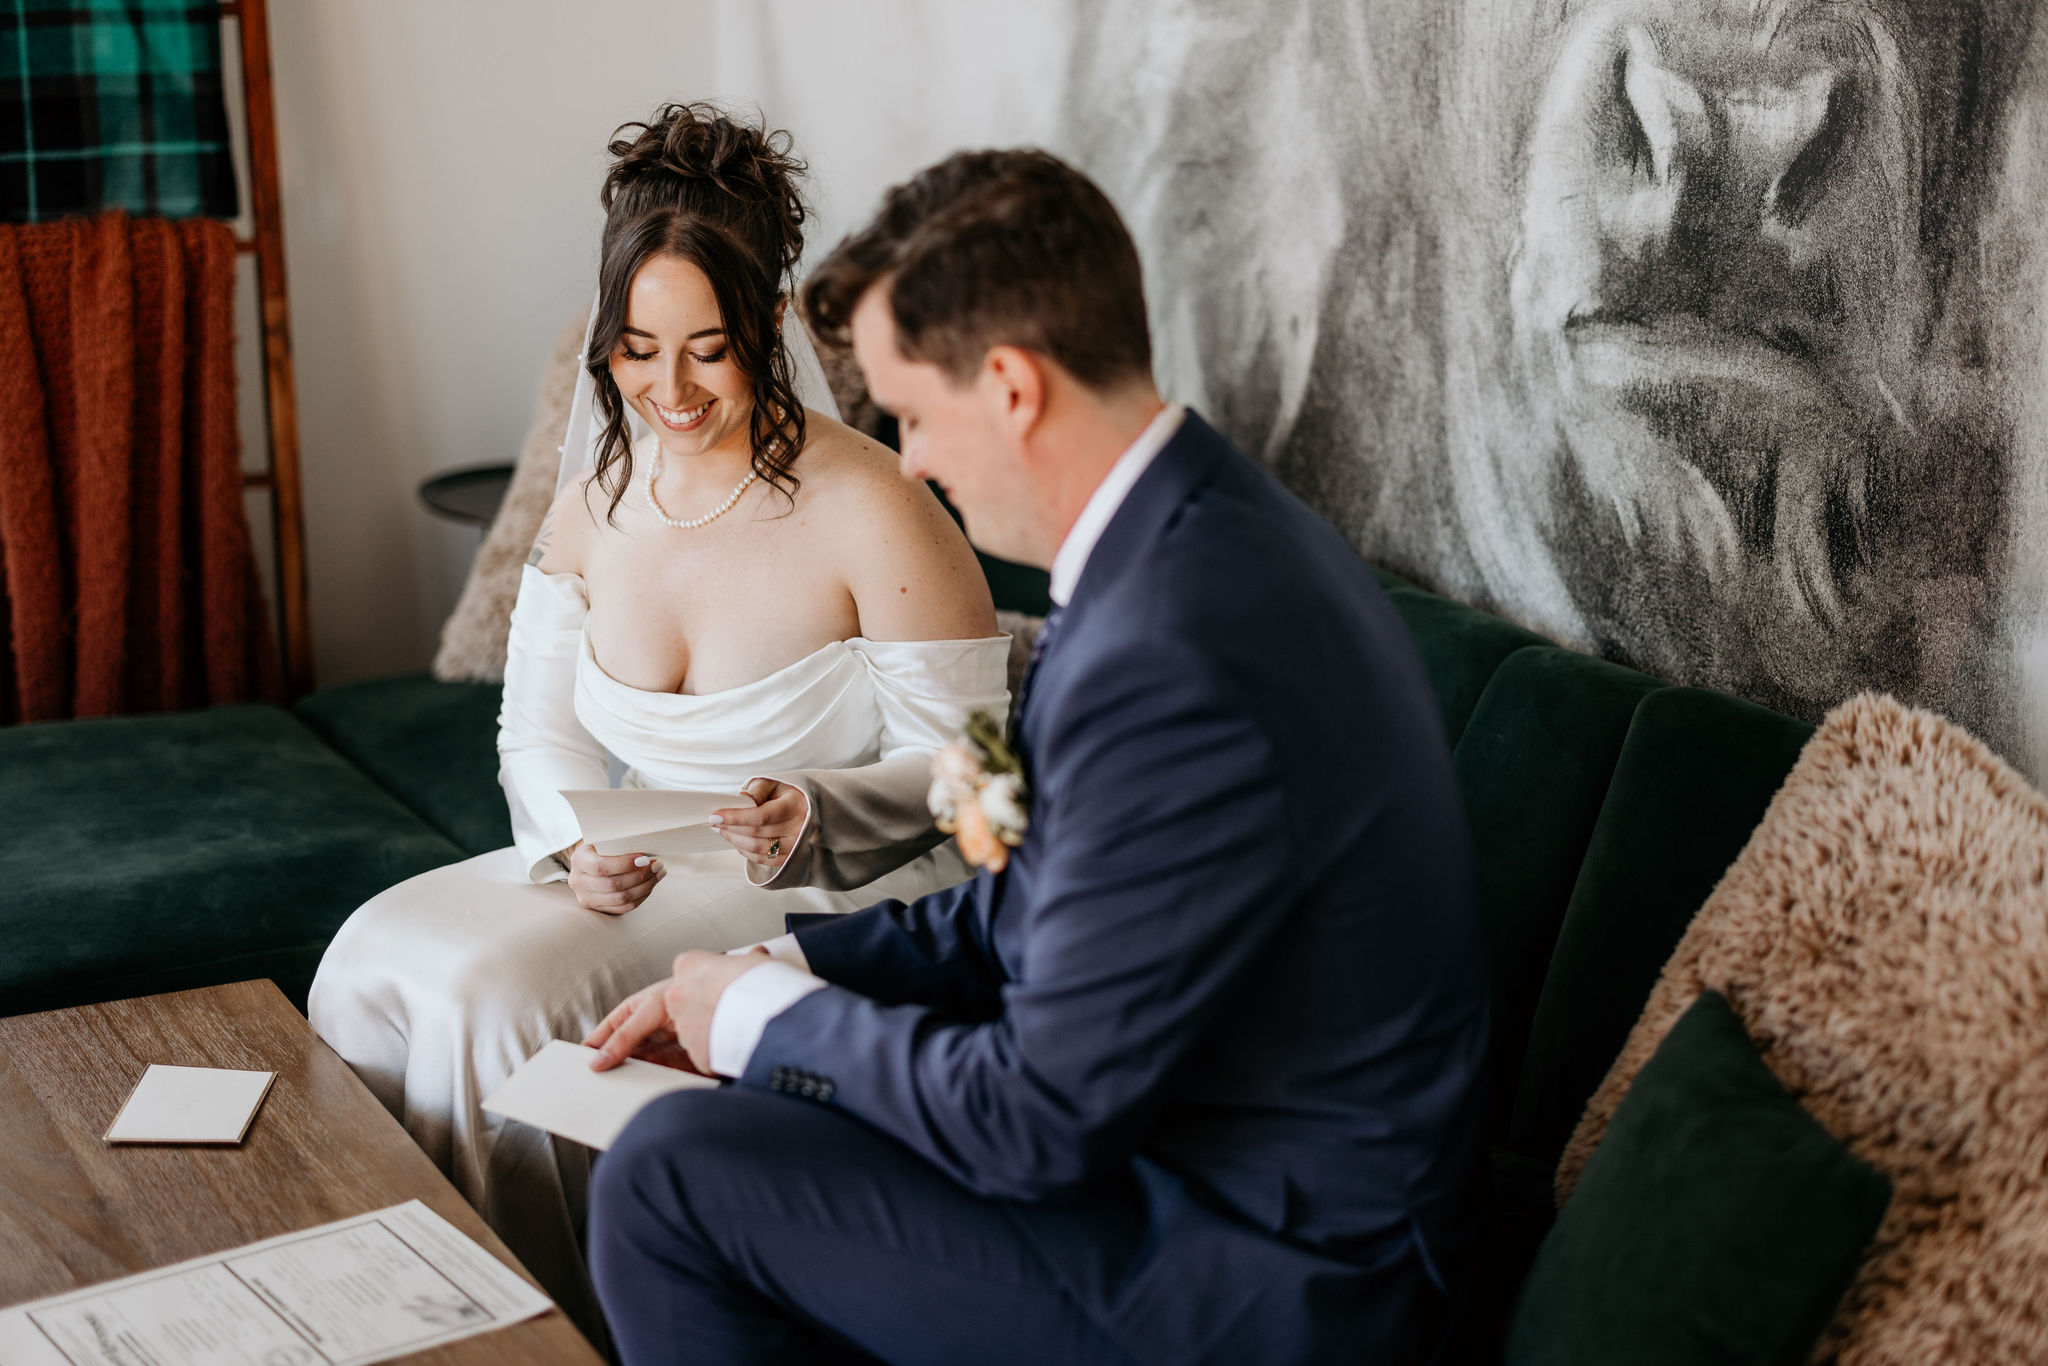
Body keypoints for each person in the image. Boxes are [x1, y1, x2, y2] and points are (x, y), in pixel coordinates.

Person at [581, 149, 1491, 1366]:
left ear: (1008, 386)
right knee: (736, 1105)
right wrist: (782, 967)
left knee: (666, 1176)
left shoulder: (1170, 651)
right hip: (1190, 1156)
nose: (909, 461)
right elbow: (1027, 903)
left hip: (1275, 1266)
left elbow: (1037, 1121)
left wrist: (766, 1022)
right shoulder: (1197, 533)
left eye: (909, 411)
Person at [306, 104, 1008, 1339]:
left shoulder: (878, 508)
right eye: (633, 350)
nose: (668, 392)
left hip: (845, 876)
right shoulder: (591, 507)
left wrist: (819, 809)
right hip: (632, 865)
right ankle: (388, 1316)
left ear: (768, 323)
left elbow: (985, 783)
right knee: (375, 947)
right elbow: (539, 736)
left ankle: (554, 1329)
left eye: (707, 349)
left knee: (486, 996)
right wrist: (571, 843)